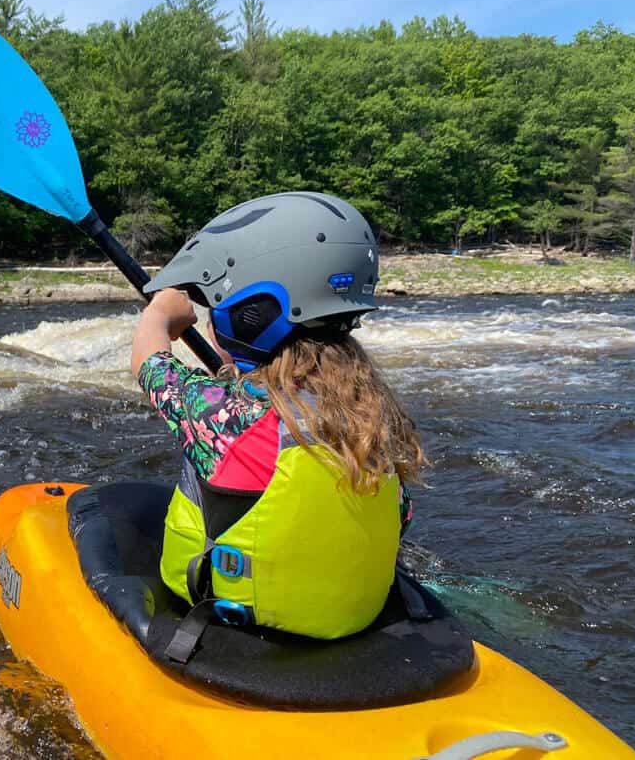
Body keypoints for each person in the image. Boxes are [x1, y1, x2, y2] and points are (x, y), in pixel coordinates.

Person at [130, 191, 425, 662]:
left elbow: (149, 363)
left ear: (250, 319)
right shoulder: (373, 413)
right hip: (354, 617)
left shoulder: (223, 411)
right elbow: (400, 518)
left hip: (244, 625)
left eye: (217, 308)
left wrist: (160, 314)